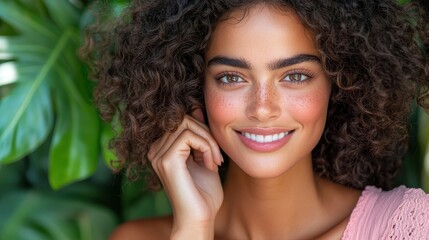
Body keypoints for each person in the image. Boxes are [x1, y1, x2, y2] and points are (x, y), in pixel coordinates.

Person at [83, 0, 429, 239]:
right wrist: (193, 230)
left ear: (340, 82)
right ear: (192, 87)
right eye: (232, 77)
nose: (262, 109)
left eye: (294, 76)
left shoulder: (408, 227)